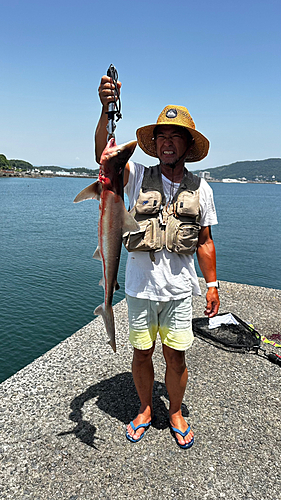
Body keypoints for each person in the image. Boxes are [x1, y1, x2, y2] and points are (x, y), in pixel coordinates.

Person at [95, 75, 220, 449]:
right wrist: (106, 109)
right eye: (162, 136)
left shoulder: (203, 189)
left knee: (177, 358)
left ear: (186, 145)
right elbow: (106, 154)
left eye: (175, 136)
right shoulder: (134, 177)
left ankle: (177, 410)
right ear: (155, 144)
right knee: (141, 353)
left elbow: (205, 241)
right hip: (138, 288)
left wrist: (212, 285)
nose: (167, 142)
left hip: (180, 290)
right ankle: (147, 408)